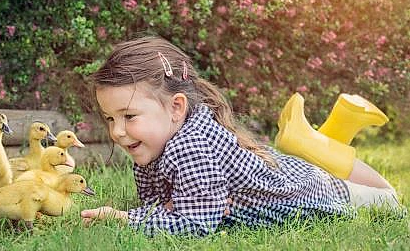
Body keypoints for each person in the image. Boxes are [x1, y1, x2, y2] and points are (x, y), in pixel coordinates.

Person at [80, 35, 400, 236]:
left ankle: (316, 139)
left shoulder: (190, 147)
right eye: (110, 118)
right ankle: (307, 142)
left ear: (176, 107)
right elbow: (159, 202)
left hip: (313, 192)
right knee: (320, 172)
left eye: (129, 116)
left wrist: (125, 219)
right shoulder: (155, 141)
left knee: (389, 199)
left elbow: (194, 223)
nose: (117, 131)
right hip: (284, 173)